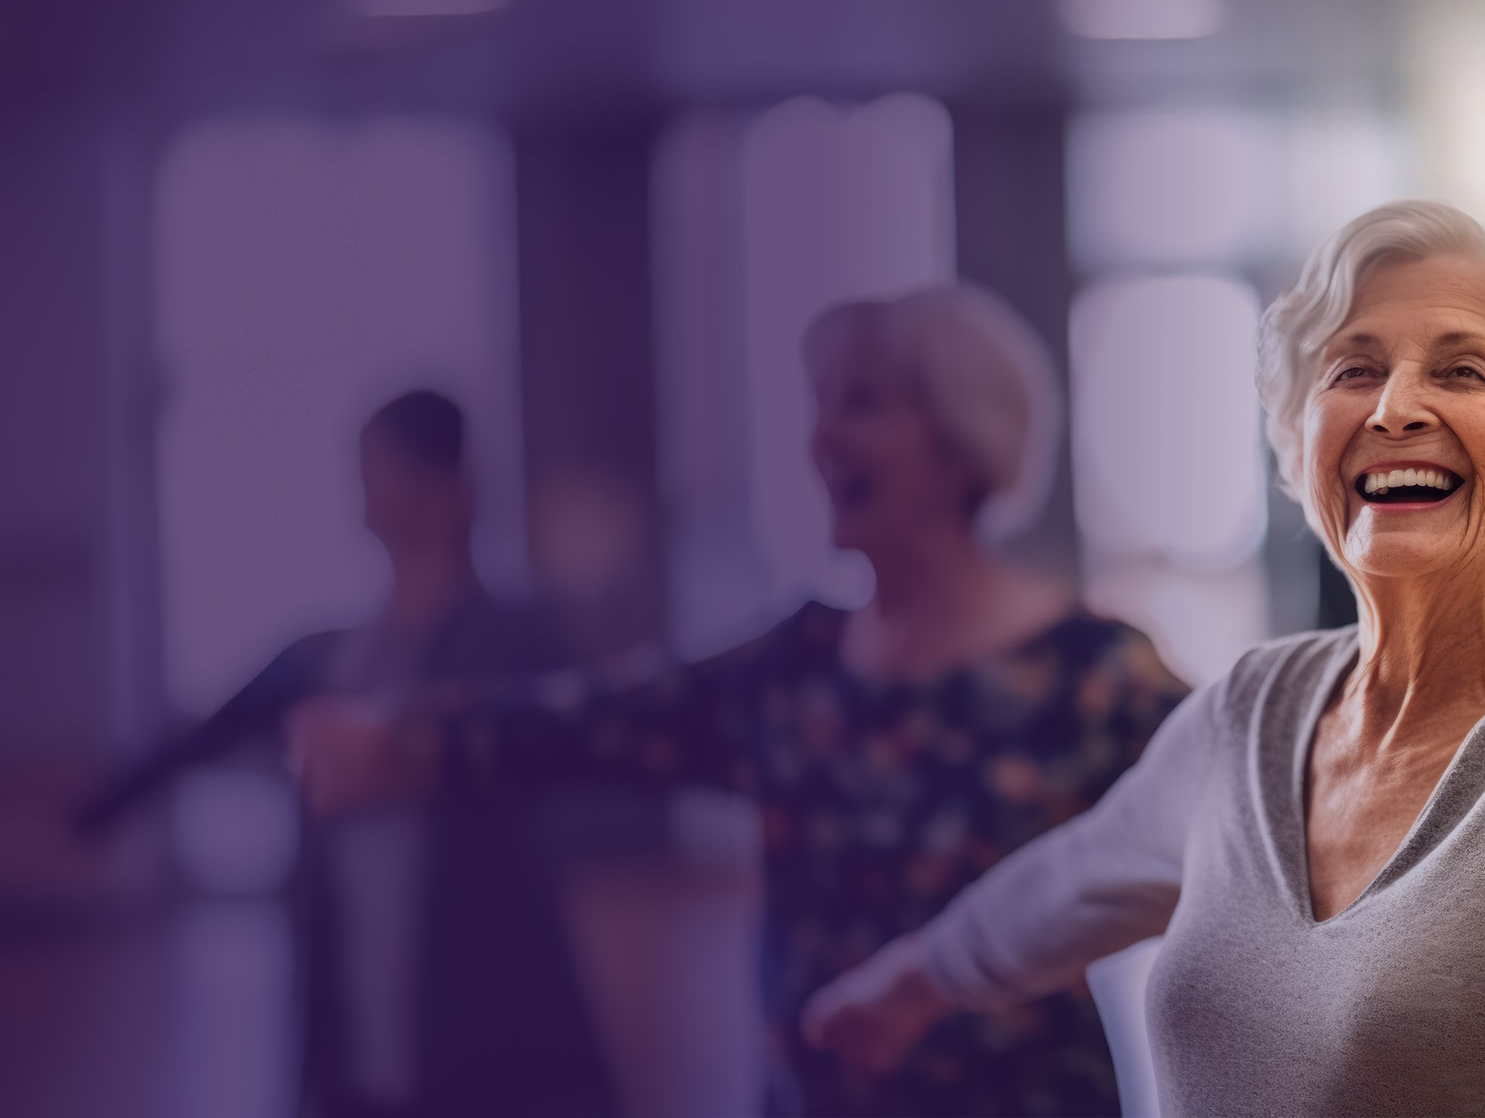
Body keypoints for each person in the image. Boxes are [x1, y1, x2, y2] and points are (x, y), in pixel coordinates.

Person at [798, 201, 1485, 1117]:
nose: (1395, 408)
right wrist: (904, 987)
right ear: (1302, 449)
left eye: (1464, 370)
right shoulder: (1249, 712)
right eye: (1353, 369)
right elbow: (1076, 876)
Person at [290, 286, 1192, 1118]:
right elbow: (593, 719)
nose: (821, 439)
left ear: (962, 441)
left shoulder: (1088, 675)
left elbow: (1254, 818)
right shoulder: (797, 668)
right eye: (821, 404)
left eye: (863, 404)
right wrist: (403, 744)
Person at [77, 390, 613, 1118]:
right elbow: (208, 733)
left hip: (489, 1024)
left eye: (381, 468)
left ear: (449, 488)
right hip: (356, 1030)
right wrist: (91, 810)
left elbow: (594, 735)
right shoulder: (328, 659)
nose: (365, 489)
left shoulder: (517, 639)